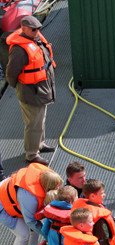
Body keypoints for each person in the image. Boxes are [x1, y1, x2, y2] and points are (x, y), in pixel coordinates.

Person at [6, 16, 56, 166]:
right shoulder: (19, 50)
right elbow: (11, 73)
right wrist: (19, 87)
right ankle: (31, 154)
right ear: (24, 28)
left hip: (41, 90)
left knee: (40, 120)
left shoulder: (35, 39)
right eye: (34, 29)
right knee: (33, 123)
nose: (37, 32)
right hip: (30, 92)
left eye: (38, 29)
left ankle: (39, 144)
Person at [0, 163, 62, 245]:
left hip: (16, 199)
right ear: (47, 187)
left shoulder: (46, 176)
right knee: (24, 235)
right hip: (3, 205)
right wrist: (48, 235)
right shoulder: (30, 198)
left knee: (35, 228)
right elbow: (30, 221)